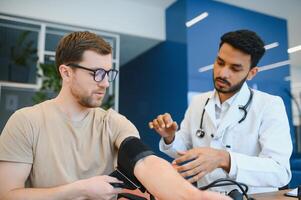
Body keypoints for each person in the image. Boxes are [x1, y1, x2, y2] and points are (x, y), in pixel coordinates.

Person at [0, 31, 230, 200]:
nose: (105, 83)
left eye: (109, 73)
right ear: (66, 72)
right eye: (96, 73)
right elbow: (8, 194)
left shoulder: (112, 121)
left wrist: (196, 197)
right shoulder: (26, 122)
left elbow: (145, 161)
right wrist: (80, 189)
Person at [149, 29, 293, 194]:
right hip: (206, 196)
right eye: (220, 62)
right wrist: (170, 137)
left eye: (235, 68)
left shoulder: (269, 105)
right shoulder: (199, 102)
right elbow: (185, 150)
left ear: (251, 73)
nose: (223, 73)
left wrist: (225, 159)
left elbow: (280, 171)